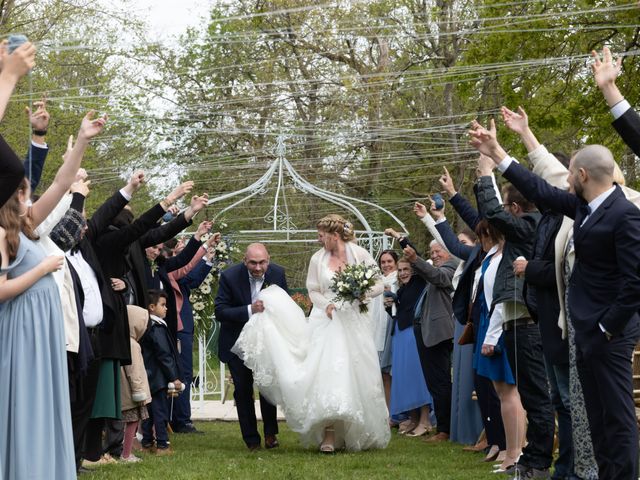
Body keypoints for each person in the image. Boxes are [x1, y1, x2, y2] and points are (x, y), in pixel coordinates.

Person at [470, 119, 640, 480]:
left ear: (581, 174)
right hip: (583, 332)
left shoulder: (626, 213)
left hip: (608, 333)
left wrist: (607, 327)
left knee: (617, 417)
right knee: (595, 418)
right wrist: (497, 153)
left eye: (569, 175)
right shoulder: (585, 209)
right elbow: (539, 187)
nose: (564, 181)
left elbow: (634, 282)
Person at [0, 108, 105, 480]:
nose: (28, 190)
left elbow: (62, 182)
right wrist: (43, 270)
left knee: (47, 406)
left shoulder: (26, 222)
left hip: (44, 331)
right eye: (21, 187)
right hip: (20, 332)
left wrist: (82, 140)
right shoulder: (1, 233)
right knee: (25, 407)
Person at [232, 214, 390, 453]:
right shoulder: (318, 259)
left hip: (354, 322)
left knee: (357, 374)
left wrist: (361, 295)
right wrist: (326, 304)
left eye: (321, 236)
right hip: (326, 322)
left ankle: (354, 432)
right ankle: (328, 435)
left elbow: (378, 283)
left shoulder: (360, 254)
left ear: (333, 235)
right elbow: (313, 290)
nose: (318, 240)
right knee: (327, 375)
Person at [215, 243, 288, 450]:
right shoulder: (229, 277)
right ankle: (251, 439)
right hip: (237, 343)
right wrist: (250, 310)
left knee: (267, 387)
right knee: (243, 390)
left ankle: (270, 434)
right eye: (253, 263)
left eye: (262, 262)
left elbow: (286, 304)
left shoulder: (278, 274)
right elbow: (220, 311)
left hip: (267, 343)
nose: (258, 268)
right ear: (244, 261)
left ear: (269, 260)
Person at [404, 240, 459, 443]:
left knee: (440, 382)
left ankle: (445, 429)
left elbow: (438, 277)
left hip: (439, 333)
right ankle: (444, 427)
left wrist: (415, 260)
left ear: (450, 252)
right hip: (426, 331)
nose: (434, 255)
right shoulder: (436, 269)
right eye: (431, 252)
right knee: (434, 382)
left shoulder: (451, 267)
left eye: (438, 251)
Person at [388, 257, 433, 437]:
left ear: (414, 270)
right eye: (400, 270)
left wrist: (402, 240)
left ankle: (425, 420)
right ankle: (413, 418)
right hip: (400, 333)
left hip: (412, 334)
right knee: (405, 377)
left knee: (417, 376)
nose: (403, 273)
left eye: (406, 269)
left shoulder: (419, 282)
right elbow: (399, 312)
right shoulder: (402, 289)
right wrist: (389, 306)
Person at [140, 290, 183, 455]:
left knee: (148, 411)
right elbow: (164, 354)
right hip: (157, 376)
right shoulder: (157, 327)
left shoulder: (146, 325)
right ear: (151, 307)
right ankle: (163, 445)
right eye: (162, 305)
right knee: (160, 411)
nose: (166, 309)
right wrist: (174, 376)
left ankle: (147, 443)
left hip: (148, 374)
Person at [119, 305, 152, 463]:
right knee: (132, 421)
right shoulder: (132, 345)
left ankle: (125, 451)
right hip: (132, 392)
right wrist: (139, 391)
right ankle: (126, 454)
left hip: (127, 390)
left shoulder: (124, 342)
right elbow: (134, 370)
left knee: (130, 422)